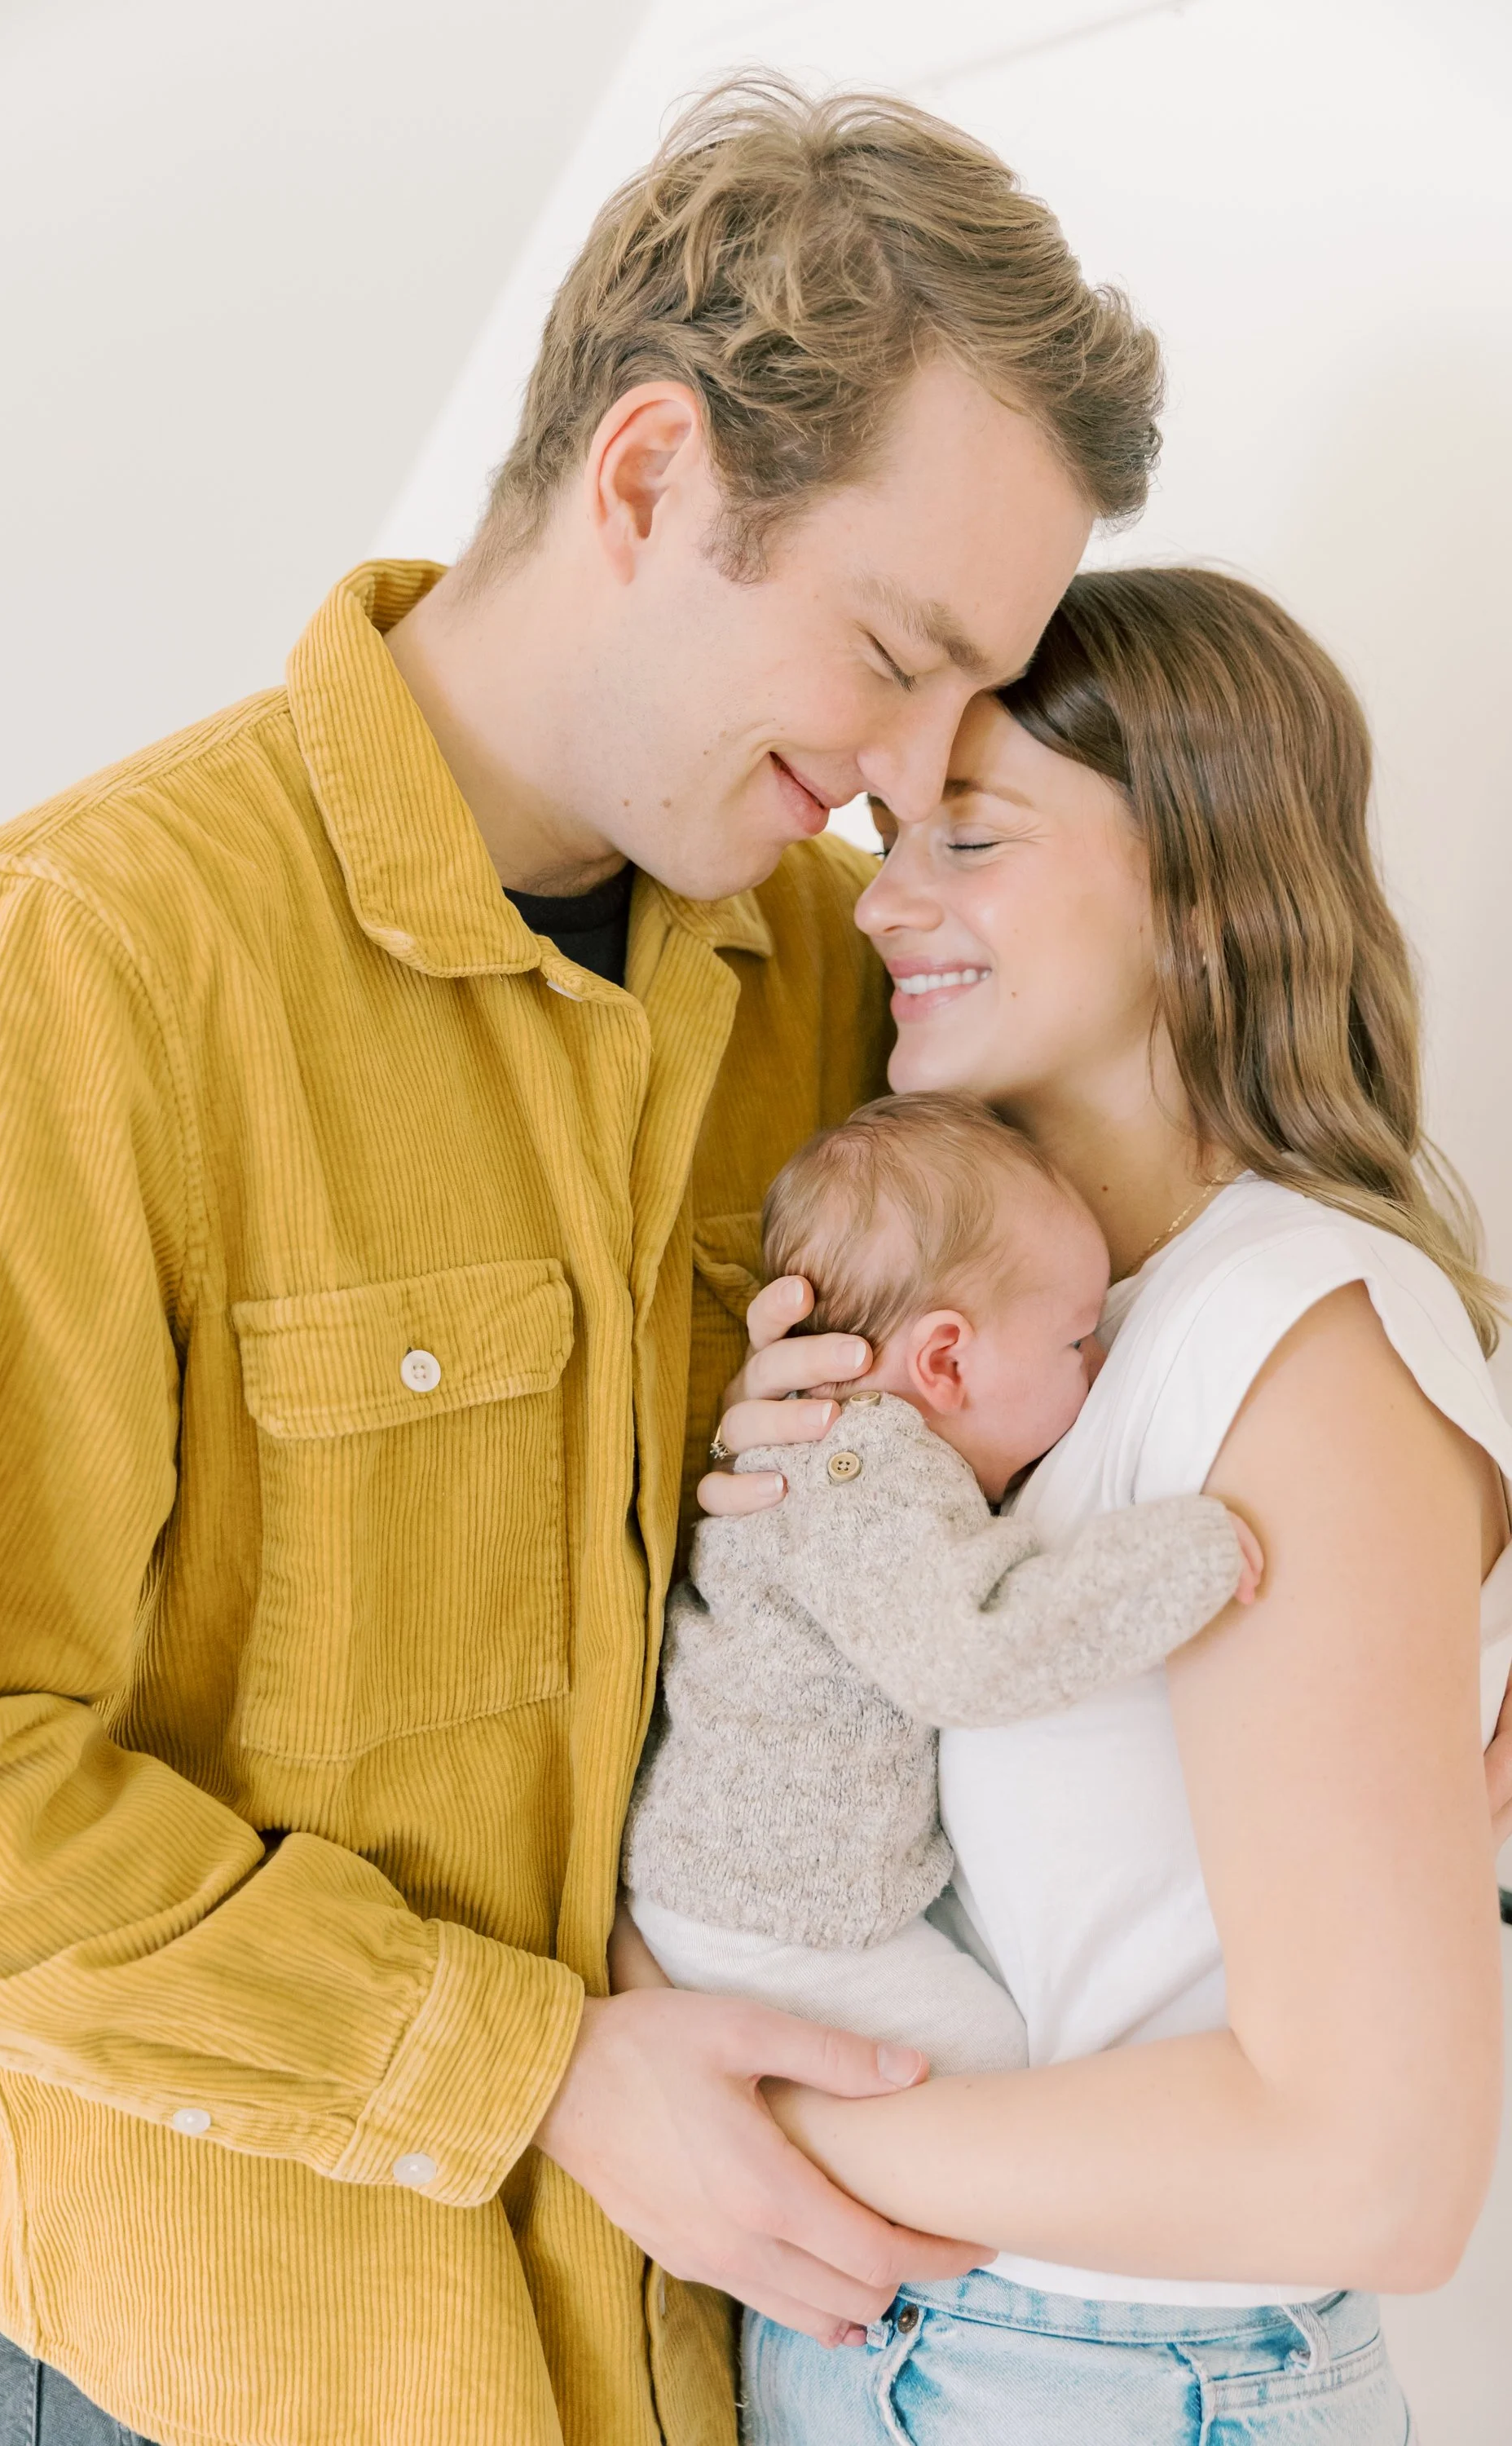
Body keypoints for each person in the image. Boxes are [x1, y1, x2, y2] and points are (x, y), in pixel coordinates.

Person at [0, 77, 1162, 2446]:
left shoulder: (848, 973)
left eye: (961, 703)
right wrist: (533, 2069)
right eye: (888, 652)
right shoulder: (81, 958)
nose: (913, 774)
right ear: (649, 477)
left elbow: (1159, 1337)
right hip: (239, 2373)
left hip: (742, 2360)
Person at [694, 565, 1512, 2444]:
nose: (879, 903)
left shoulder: (1287, 1343)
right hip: (956, 2348)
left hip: (1116, 2382)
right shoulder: (1030, 1344)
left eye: (967, 839)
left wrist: (745, 2122)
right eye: (888, 837)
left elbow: (1373, 2175)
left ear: (1202, 895)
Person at [623, 1088, 1258, 2077]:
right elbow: (968, 1653)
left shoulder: (835, 1453)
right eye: (1074, 1342)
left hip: (754, 1896)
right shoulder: (870, 1478)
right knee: (994, 2069)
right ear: (946, 1362)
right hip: (774, 1920)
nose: (1097, 1366)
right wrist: (1187, 1555)